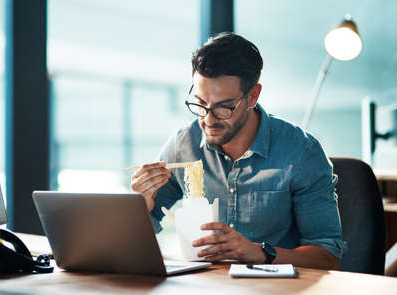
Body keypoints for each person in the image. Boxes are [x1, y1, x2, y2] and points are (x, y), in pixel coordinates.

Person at [130, 32, 346, 270]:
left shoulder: (302, 153)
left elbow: (328, 255)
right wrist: (141, 205)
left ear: (253, 96)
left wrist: (260, 252)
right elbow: (134, 239)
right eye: (200, 103)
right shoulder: (184, 145)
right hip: (205, 286)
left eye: (224, 107)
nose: (207, 119)